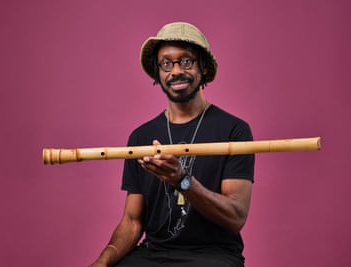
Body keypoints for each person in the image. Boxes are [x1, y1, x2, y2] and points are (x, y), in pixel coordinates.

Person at [89, 22, 255, 267]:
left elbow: (235, 217)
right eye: (166, 63)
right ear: (158, 73)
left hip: (213, 257)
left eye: (186, 61)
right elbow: (133, 221)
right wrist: (102, 262)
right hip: (154, 255)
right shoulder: (141, 137)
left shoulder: (234, 130)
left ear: (204, 68)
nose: (176, 71)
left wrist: (182, 180)